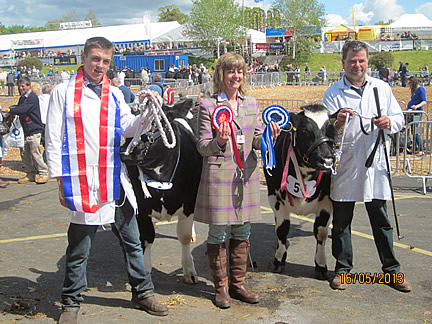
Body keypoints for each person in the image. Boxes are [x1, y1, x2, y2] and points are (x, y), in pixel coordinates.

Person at [45, 37, 168, 324]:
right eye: (95, 59)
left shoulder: (114, 94)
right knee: (79, 248)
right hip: (81, 180)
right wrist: (60, 181)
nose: (100, 65)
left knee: (132, 240)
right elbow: (52, 138)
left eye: (105, 61)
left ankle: (142, 292)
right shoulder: (62, 93)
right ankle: (71, 303)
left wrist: (147, 113)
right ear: (85, 58)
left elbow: (128, 127)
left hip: (113, 179)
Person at [323, 41, 411, 293]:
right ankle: (343, 270)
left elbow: (399, 119)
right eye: (352, 61)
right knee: (341, 222)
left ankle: (392, 270)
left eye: (361, 60)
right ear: (343, 62)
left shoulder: (381, 88)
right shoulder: (333, 93)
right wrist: (337, 121)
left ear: (367, 62)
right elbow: (326, 129)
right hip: (347, 163)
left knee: (381, 219)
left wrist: (389, 122)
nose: (357, 65)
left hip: (375, 162)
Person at [195, 52, 280, 309]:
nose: (236, 76)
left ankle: (238, 284)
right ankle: (221, 288)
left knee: (243, 230)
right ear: (221, 74)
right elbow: (202, 146)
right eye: (231, 71)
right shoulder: (207, 105)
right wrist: (219, 142)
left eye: (240, 71)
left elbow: (254, 139)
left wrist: (267, 139)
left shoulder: (252, 104)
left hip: (246, 175)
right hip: (219, 175)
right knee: (218, 232)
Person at [1, 77, 49, 184]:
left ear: (28, 86)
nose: (21, 88)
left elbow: (23, 109)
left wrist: (9, 109)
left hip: (34, 130)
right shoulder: (23, 98)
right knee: (25, 154)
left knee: (35, 153)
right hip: (25, 130)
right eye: (20, 86)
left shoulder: (32, 98)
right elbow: (19, 108)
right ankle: (30, 174)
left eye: (23, 86)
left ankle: (43, 173)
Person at [407, 76, 427, 156]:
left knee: (416, 131)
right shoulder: (414, 90)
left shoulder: (421, 89)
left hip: (417, 112)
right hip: (412, 112)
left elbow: (424, 101)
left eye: (410, 83)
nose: (409, 85)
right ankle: (415, 147)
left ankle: (421, 149)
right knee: (413, 130)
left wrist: (417, 106)